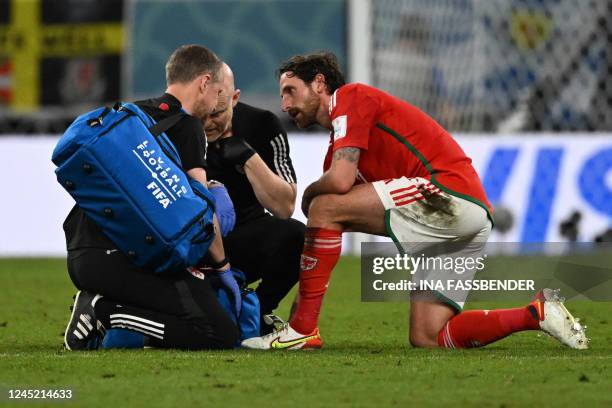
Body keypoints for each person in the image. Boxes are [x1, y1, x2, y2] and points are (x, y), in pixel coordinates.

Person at [241, 52, 589, 350]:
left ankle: (301, 332)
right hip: (468, 219)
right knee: (428, 336)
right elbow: (330, 222)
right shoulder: (339, 145)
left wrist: (310, 195)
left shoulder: (350, 97)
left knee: (326, 206)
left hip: (447, 193)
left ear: (319, 83)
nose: (286, 104)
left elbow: (340, 183)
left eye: (290, 91)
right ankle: (536, 313)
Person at [63, 45, 241, 351]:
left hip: (81, 254)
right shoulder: (187, 127)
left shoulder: (130, 116)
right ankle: (103, 312)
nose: (215, 105)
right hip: (122, 260)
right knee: (216, 331)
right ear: (204, 82)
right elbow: (202, 215)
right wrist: (224, 268)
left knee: (186, 305)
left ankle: (103, 308)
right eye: (218, 92)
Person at [203, 63, 305, 330]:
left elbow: (285, 207)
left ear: (235, 98)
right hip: (193, 242)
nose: (207, 123)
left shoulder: (263, 125)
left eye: (217, 113)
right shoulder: (176, 128)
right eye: (202, 113)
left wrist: (249, 158)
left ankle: (256, 311)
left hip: (242, 238)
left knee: (297, 236)